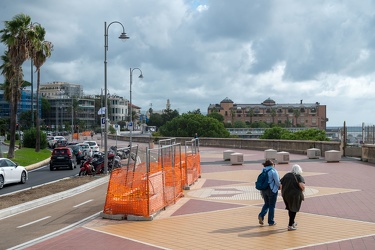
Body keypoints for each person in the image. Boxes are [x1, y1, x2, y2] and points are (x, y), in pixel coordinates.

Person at [280, 164, 305, 231]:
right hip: (295, 196)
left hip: (286, 195)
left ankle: (292, 222)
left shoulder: (287, 175)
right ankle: (290, 225)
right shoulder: (299, 177)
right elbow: (302, 186)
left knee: (290, 208)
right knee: (293, 209)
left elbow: (280, 185)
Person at [258, 159, 281, 226]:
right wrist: (280, 186)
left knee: (266, 204)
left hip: (264, 189)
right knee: (272, 206)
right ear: (272, 164)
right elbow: (277, 181)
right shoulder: (273, 171)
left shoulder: (263, 170)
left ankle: (261, 215)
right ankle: (271, 221)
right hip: (272, 190)